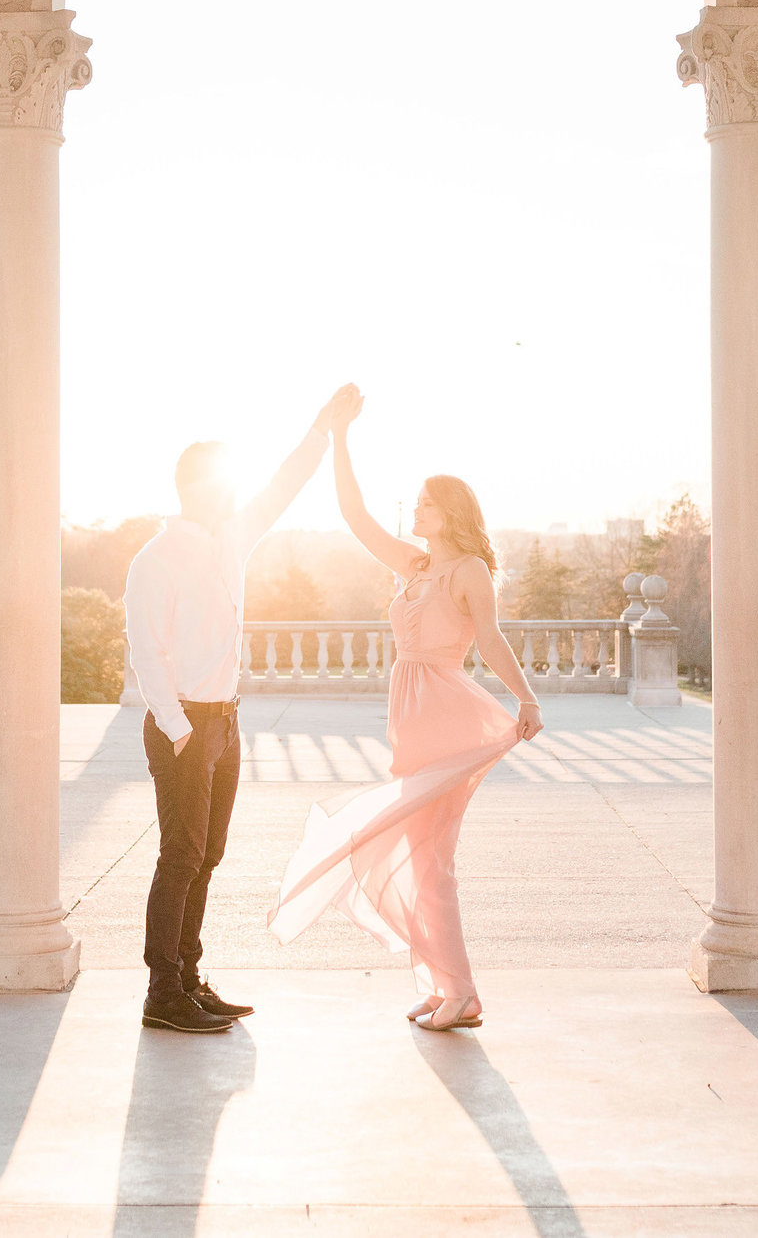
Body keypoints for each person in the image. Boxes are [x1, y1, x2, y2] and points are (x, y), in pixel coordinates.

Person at [266, 383, 543, 1031]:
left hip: (446, 713)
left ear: (449, 511)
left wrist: (526, 696)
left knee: (432, 859)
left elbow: (494, 639)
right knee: (422, 858)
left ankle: (463, 991)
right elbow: (355, 515)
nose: (415, 508)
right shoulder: (415, 564)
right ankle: (445, 983)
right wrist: (340, 437)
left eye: (424, 501)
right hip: (412, 720)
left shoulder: (467, 570)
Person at [123, 387, 353, 1033]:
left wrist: (323, 427)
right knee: (181, 853)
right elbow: (146, 655)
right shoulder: (155, 560)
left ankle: (188, 976)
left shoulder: (233, 538)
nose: (235, 494)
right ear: (196, 488)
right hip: (185, 727)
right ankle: (161, 989)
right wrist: (178, 730)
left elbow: (284, 483)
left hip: (225, 722)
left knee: (209, 851)